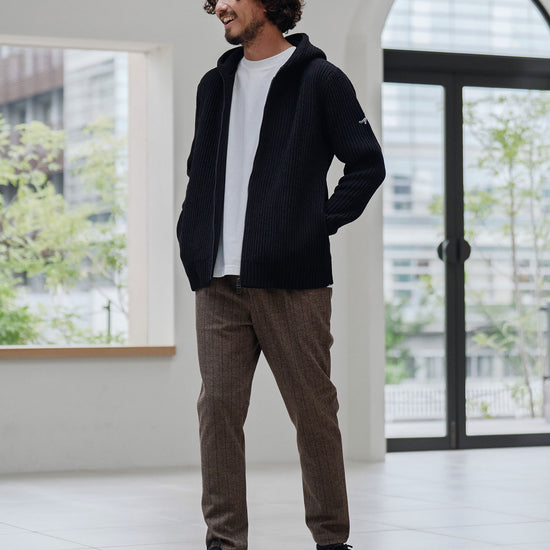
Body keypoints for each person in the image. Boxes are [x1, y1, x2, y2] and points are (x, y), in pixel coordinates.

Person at [176, 1, 385, 549]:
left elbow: (366, 163)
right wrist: (193, 236)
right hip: (218, 280)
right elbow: (200, 169)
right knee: (217, 410)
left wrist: (315, 226)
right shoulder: (213, 86)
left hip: (293, 280)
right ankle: (224, 541)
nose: (220, 6)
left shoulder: (320, 79)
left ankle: (331, 539)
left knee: (313, 412)